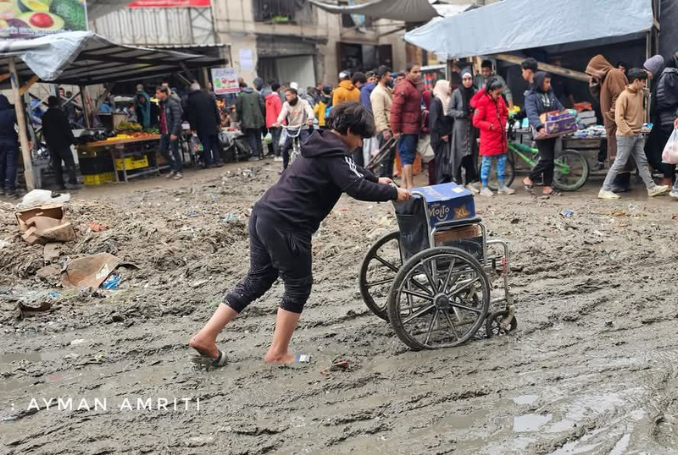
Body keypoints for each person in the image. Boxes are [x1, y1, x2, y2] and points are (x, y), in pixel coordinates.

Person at [188, 102, 411, 367]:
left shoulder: (323, 143)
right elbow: (355, 187)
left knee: (258, 279)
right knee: (298, 285)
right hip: (287, 225)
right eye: (360, 136)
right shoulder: (334, 153)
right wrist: (393, 192)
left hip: (264, 214)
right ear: (349, 130)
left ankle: (205, 337)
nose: (361, 143)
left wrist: (376, 180)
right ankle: (278, 353)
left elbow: (350, 172)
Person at [598, 69, 669, 199]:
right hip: (626, 135)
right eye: (643, 82)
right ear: (636, 81)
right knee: (620, 162)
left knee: (642, 162)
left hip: (637, 134)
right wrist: (629, 131)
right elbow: (619, 118)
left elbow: (648, 93)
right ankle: (605, 189)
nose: (644, 85)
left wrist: (647, 74)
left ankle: (651, 188)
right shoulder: (623, 96)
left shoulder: (640, 92)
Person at [523, 72, 564, 197]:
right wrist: (539, 127)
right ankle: (529, 178)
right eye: (546, 82)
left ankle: (547, 187)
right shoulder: (531, 97)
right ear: (539, 82)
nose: (548, 84)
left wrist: (567, 116)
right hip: (540, 131)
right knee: (545, 158)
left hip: (552, 130)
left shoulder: (550, 94)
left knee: (550, 160)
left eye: (549, 82)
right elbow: (532, 114)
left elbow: (559, 107)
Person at [586, 55, 629, 175]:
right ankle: (618, 181)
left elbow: (619, 96)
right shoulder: (605, 78)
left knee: (620, 154)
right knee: (616, 153)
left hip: (617, 122)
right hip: (613, 123)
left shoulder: (613, 74)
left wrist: (611, 114)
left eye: (592, 73)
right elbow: (601, 99)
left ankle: (620, 182)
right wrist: (594, 86)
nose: (592, 76)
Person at [473, 77, 513, 197]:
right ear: (490, 91)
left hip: (500, 138)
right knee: (487, 163)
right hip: (489, 139)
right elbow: (476, 121)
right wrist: (490, 126)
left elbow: (505, 113)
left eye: (500, 93)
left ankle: (501, 186)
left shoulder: (500, 99)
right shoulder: (482, 102)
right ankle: (484, 187)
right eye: (497, 93)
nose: (499, 95)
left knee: (502, 162)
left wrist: (504, 121)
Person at [390, 63, 422, 189]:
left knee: (407, 157)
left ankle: (404, 186)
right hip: (406, 129)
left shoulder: (412, 86)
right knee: (407, 157)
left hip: (412, 127)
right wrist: (396, 130)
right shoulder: (404, 87)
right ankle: (410, 186)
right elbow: (395, 110)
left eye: (419, 71)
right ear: (408, 72)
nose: (418, 74)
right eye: (415, 72)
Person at [447, 70, 479, 191]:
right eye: (465, 79)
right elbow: (450, 110)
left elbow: (479, 108)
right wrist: (463, 114)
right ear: (462, 80)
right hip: (459, 129)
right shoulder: (456, 93)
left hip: (472, 128)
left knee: (470, 155)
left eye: (469, 79)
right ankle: (460, 182)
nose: (467, 81)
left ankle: (469, 181)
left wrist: (474, 114)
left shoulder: (475, 93)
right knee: (459, 154)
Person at [652, 52, 678, 192]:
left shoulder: (663, 77)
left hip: (664, 119)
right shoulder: (672, 77)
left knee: (669, 151)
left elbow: (662, 99)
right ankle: (669, 180)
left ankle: (668, 180)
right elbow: (672, 99)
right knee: (672, 151)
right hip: (671, 119)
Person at [42, 96, 79, 190]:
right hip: (63, 143)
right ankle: (72, 181)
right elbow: (67, 130)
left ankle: (59, 184)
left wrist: (48, 143)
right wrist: (74, 142)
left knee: (56, 164)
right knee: (69, 162)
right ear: (57, 103)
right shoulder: (60, 114)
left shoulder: (45, 116)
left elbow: (44, 131)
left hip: (51, 144)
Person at [274, 88, 315, 170]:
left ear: (294, 95)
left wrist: (310, 118)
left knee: (306, 146)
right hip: (292, 128)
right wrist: (278, 121)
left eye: (288, 95)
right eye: (286, 96)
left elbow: (309, 110)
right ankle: (285, 169)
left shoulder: (303, 102)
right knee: (285, 149)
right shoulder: (286, 104)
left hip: (303, 127)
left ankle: (311, 167)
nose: (286, 97)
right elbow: (283, 113)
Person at [186, 81, 223, 168]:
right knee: (214, 143)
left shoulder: (191, 100)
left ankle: (208, 162)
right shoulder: (209, 96)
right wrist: (218, 122)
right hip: (212, 123)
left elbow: (192, 115)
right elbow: (216, 110)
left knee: (204, 144)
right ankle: (217, 161)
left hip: (201, 125)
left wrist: (193, 127)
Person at [0, 95, 30, 196]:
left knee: (1, 164)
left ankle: (1, 187)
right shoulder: (11, 112)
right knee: (11, 165)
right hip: (11, 141)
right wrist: (28, 139)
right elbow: (22, 126)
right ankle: (10, 189)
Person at [371, 66, 395, 178]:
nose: (391, 78)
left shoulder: (387, 90)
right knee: (384, 158)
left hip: (391, 129)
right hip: (384, 130)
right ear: (383, 76)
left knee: (390, 158)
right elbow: (378, 113)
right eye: (389, 75)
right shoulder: (377, 93)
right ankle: (383, 183)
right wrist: (384, 129)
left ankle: (389, 181)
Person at [156, 86, 184, 180]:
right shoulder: (161, 104)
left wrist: (174, 132)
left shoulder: (172, 103)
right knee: (162, 149)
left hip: (172, 131)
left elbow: (177, 119)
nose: (157, 95)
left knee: (175, 150)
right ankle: (174, 167)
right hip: (164, 131)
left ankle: (179, 171)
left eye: (158, 93)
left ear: (164, 93)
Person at [429, 80, 453, 185]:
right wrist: (442, 134)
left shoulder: (444, 100)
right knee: (440, 163)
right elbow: (434, 122)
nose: (450, 88)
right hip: (438, 138)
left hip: (444, 137)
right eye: (448, 86)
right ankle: (440, 184)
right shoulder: (436, 102)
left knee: (445, 162)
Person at [236, 82, 266, 160]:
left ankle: (255, 155)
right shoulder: (256, 94)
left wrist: (238, 119)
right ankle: (261, 154)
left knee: (251, 137)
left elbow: (238, 109)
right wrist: (262, 115)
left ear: (241, 88)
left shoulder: (241, 96)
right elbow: (262, 105)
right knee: (258, 137)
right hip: (258, 119)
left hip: (247, 120)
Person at [266, 82, 284, 161]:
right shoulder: (277, 98)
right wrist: (283, 122)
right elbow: (279, 112)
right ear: (278, 89)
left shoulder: (267, 99)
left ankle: (276, 155)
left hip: (270, 122)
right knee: (278, 139)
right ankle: (278, 155)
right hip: (277, 122)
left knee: (274, 139)